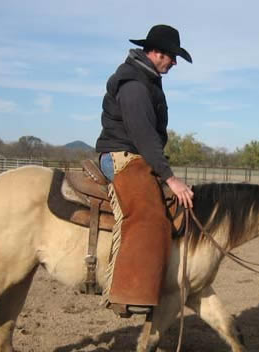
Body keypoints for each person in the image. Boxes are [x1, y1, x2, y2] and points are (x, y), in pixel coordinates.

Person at [96, 24, 194, 317]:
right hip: (121, 156)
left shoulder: (146, 79)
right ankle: (129, 293)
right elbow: (144, 136)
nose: (175, 62)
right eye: (172, 56)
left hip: (137, 156)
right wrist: (171, 178)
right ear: (156, 52)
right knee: (149, 214)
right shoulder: (135, 84)